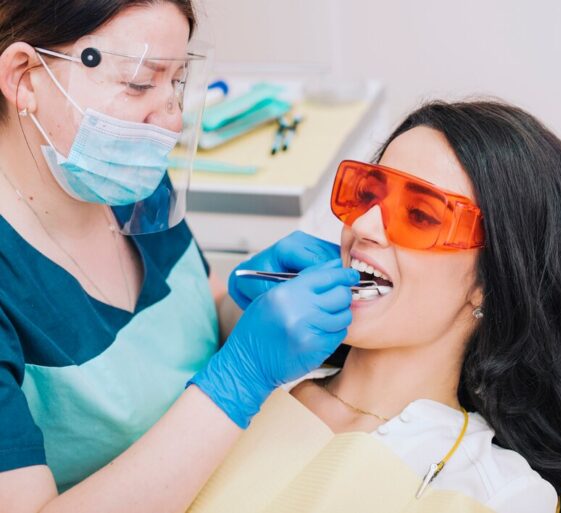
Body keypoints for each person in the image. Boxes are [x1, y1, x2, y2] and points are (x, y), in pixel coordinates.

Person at [195, 101, 561, 513]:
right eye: (368, 194)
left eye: (421, 215)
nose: (363, 226)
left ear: (490, 282)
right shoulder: (245, 386)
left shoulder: (499, 494)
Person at [0, 2, 358, 512]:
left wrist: (246, 305)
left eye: (177, 82)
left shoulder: (125, 179)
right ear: (24, 77)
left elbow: (193, 308)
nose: (170, 118)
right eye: (141, 82)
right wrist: (239, 377)